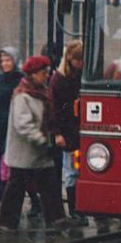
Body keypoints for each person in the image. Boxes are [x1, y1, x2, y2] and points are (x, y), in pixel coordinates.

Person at [0, 55, 66, 230]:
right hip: (25, 152)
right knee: (16, 188)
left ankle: (56, 219)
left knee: (49, 184)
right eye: (44, 72)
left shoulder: (41, 91)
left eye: (48, 72)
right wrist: (42, 139)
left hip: (39, 152)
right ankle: (6, 222)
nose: (47, 75)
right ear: (33, 74)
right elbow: (23, 125)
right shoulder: (23, 95)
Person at [0, 47, 39, 221]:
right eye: (2, 61)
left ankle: (2, 203)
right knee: (5, 169)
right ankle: (3, 202)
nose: (5, 64)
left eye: (8, 60)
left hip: (19, 132)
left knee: (18, 169)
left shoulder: (23, 80)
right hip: (3, 132)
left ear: (15, 60)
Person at [45, 41, 84, 220]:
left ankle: (78, 208)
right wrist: (58, 133)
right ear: (70, 59)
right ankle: (75, 210)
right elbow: (52, 108)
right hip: (68, 131)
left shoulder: (78, 76)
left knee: (77, 170)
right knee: (72, 171)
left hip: (78, 129)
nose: (81, 63)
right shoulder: (59, 80)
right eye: (78, 59)